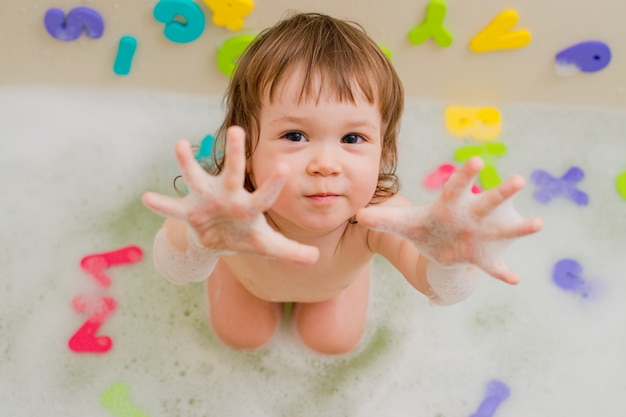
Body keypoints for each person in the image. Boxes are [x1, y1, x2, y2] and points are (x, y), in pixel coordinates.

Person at [141, 12, 542, 355]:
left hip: (332, 287)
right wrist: (200, 238)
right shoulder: (232, 209)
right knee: (240, 337)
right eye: (295, 136)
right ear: (245, 145)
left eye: (352, 139)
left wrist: (449, 260)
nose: (325, 165)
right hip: (243, 277)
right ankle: (227, 273)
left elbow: (433, 283)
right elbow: (174, 266)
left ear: (385, 151)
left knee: (334, 342)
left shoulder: (379, 216)